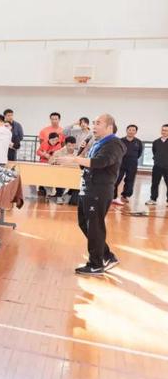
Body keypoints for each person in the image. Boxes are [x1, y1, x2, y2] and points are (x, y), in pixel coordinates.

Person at [55, 114, 125, 276]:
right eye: (94, 123)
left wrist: (74, 160)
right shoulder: (98, 142)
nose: (94, 126)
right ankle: (106, 255)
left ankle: (96, 264)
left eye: (98, 123)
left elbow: (100, 162)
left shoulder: (114, 144)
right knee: (84, 224)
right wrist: (81, 156)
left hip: (99, 190)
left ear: (109, 127)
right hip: (88, 188)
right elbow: (89, 163)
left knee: (95, 226)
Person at [112, 125, 143, 205]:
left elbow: (139, 153)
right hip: (121, 163)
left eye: (133, 130)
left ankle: (125, 196)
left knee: (130, 180)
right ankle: (113, 196)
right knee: (116, 179)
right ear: (126, 130)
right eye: (130, 130)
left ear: (136, 132)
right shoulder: (120, 140)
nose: (131, 131)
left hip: (132, 164)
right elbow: (116, 151)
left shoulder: (138, 142)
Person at [49, 136, 78, 204]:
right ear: (65, 144)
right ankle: (59, 195)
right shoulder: (59, 152)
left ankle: (68, 194)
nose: (71, 147)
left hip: (74, 175)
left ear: (75, 145)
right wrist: (55, 162)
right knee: (59, 174)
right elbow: (51, 161)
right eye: (69, 145)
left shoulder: (78, 153)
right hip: (61, 174)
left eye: (73, 145)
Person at [147, 124, 168, 206]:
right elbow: (154, 152)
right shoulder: (156, 142)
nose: (164, 132)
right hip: (157, 166)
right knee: (154, 183)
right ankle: (153, 199)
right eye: (163, 130)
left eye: (166, 130)